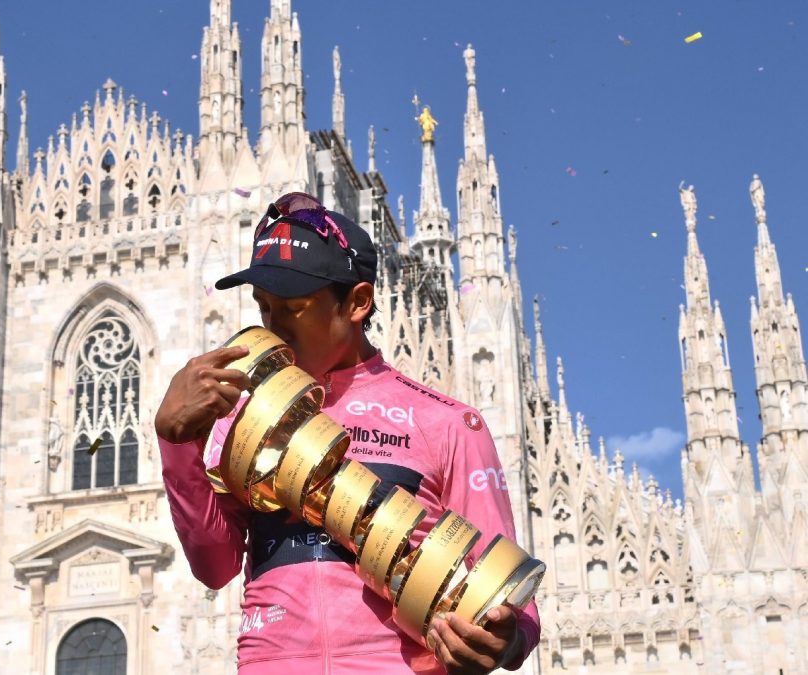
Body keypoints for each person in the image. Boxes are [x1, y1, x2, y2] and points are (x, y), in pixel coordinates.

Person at [156, 192, 540, 673]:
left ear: (357, 302)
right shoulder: (245, 416)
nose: (272, 326)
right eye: (263, 306)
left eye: (292, 307)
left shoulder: (446, 422)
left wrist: (504, 638)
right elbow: (215, 566)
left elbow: (512, 598)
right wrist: (176, 443)